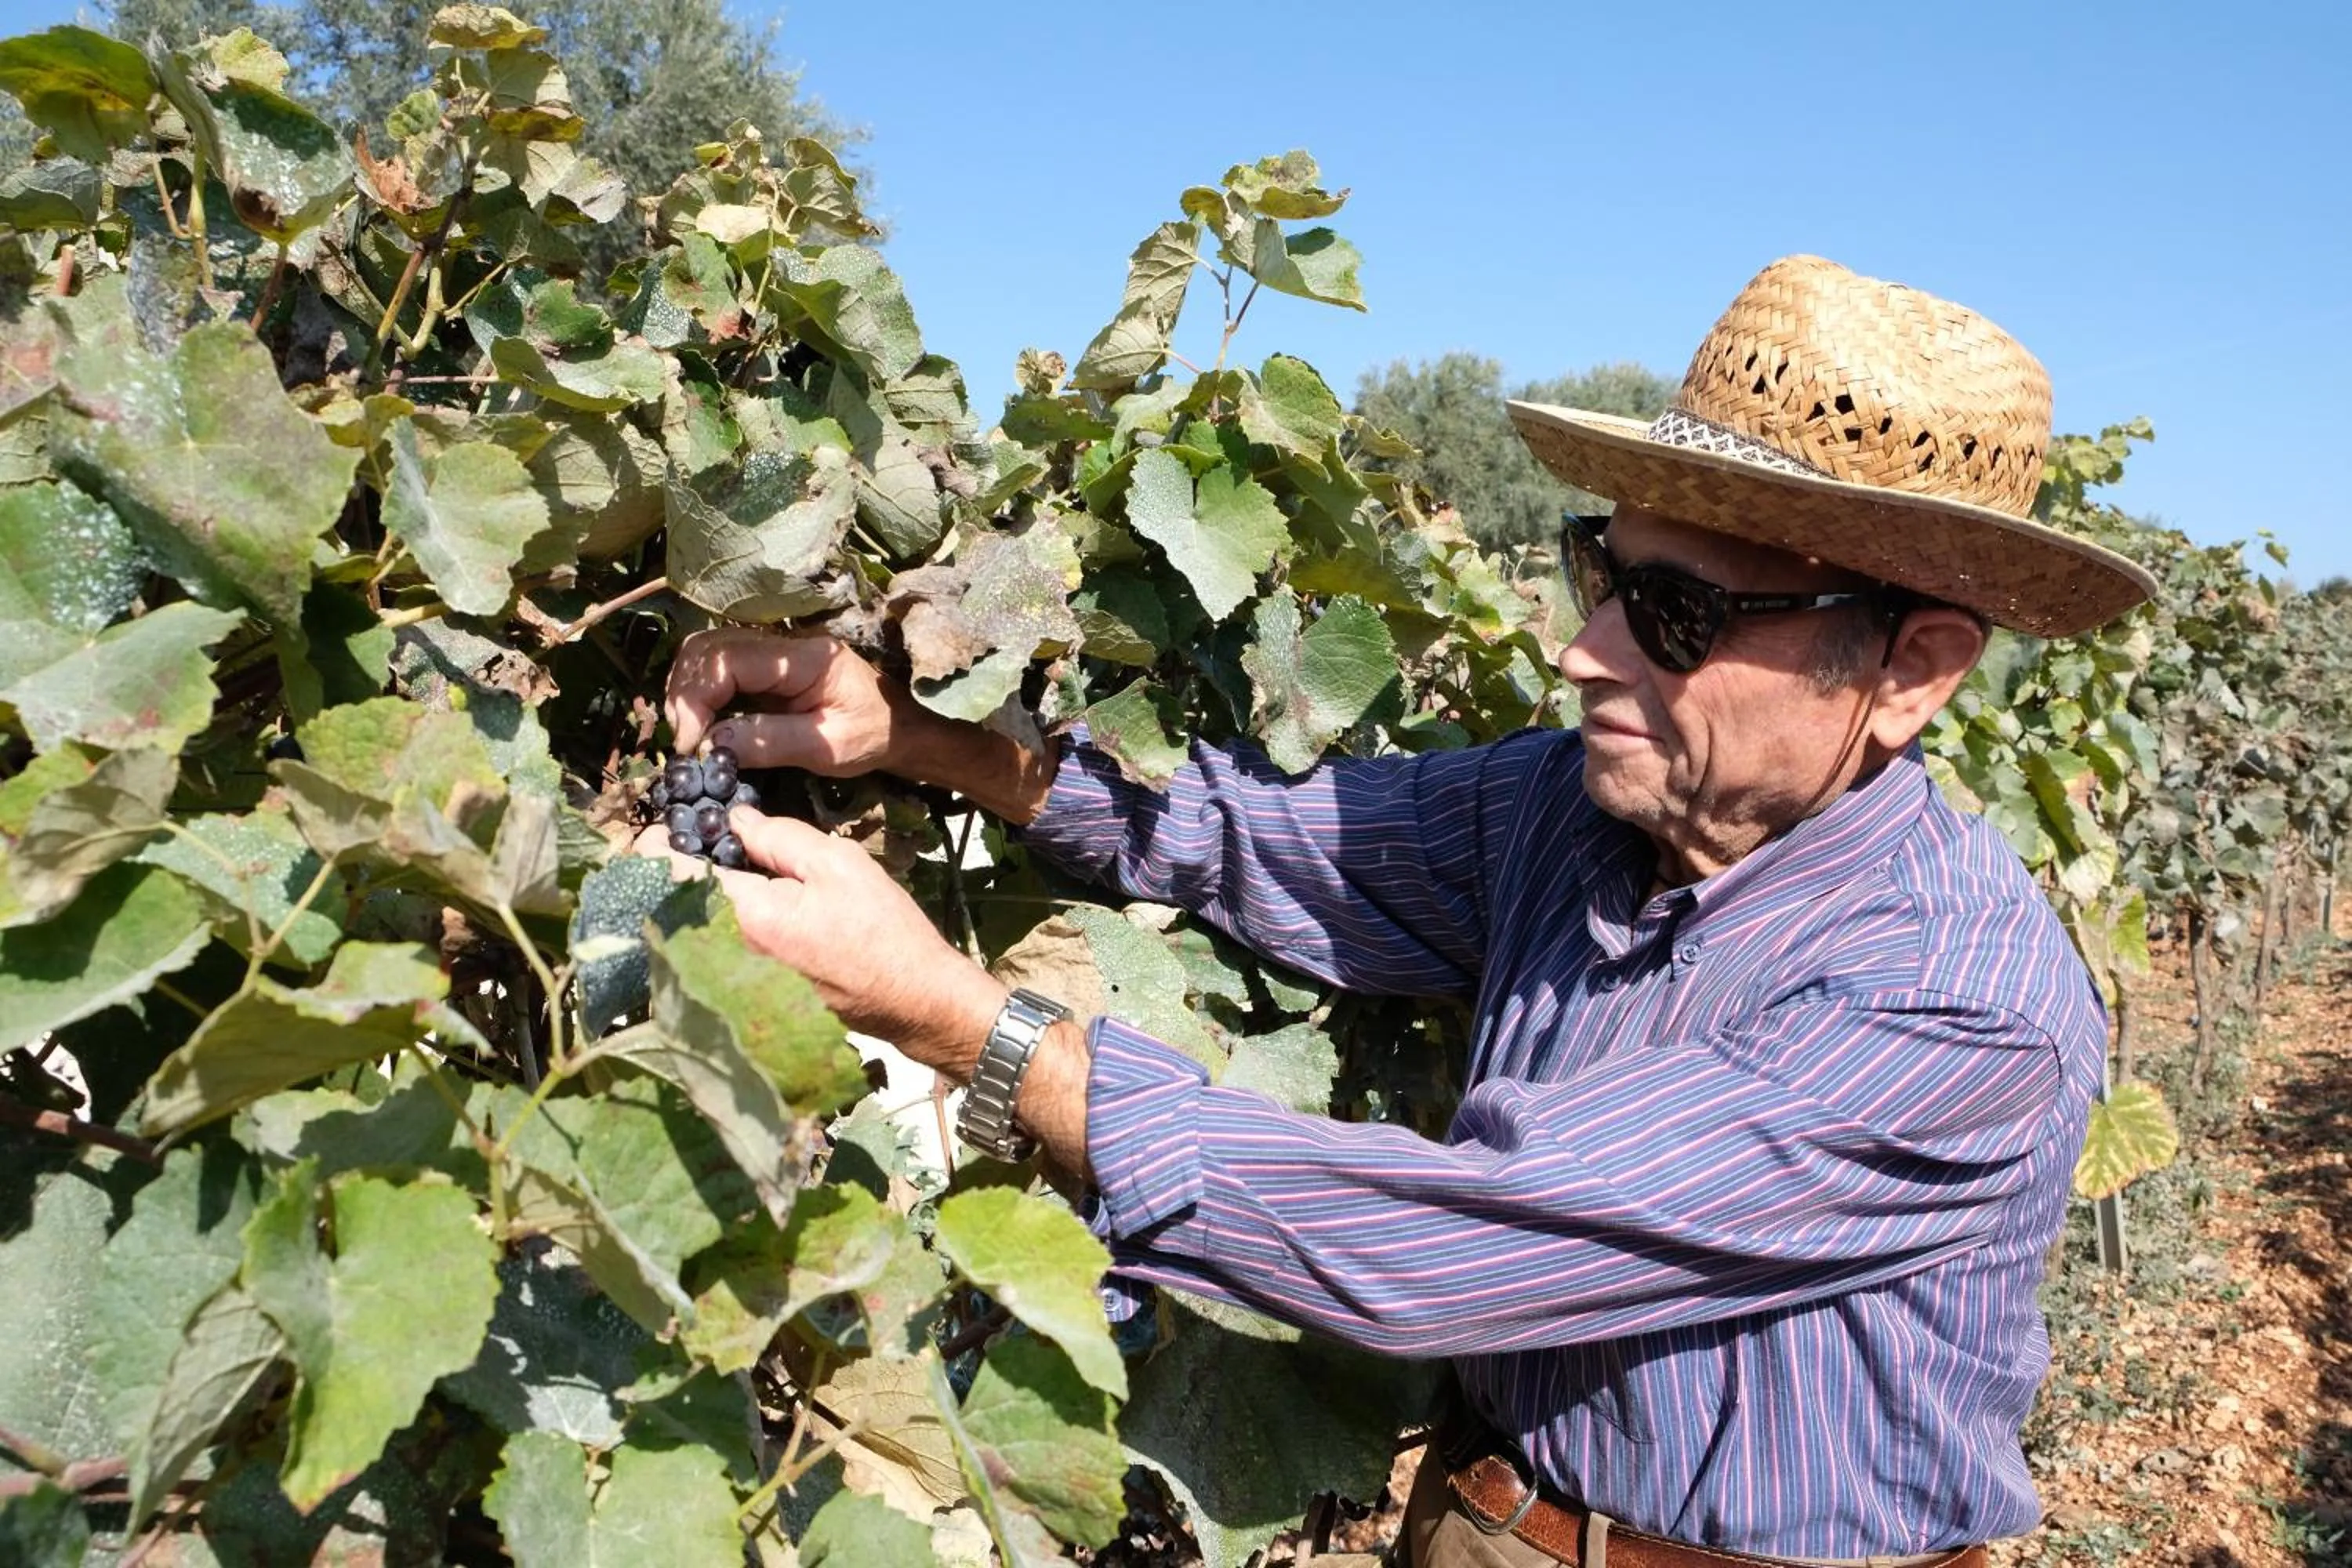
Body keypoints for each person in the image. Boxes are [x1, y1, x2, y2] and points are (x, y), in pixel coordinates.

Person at [652, 256, 2159, 1568]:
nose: (1583, 651)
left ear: (1911, 671)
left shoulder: (1955, 1005)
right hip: (1473, 1524)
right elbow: (1261, 836)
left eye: (1676, 615)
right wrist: (925, 738)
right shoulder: (1565, 811)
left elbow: (1441, 1245)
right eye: (1601, 572)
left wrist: (959, 1019)